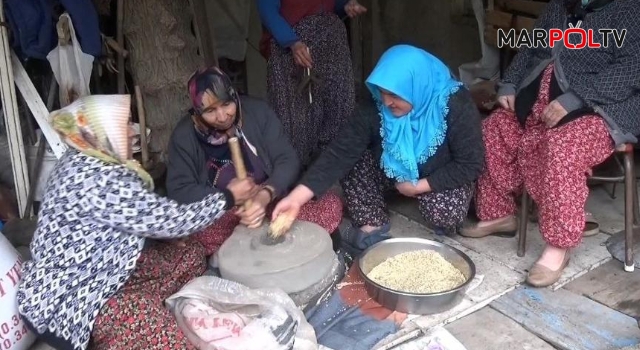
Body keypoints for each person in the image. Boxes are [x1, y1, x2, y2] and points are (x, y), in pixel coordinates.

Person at [16, 95, 257, 350]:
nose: (133, 132)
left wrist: (163, 230)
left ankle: (139, 322)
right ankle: (131, 327)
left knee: (190, 255)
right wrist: (229, 197)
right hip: (70, 302)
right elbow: (168, 220)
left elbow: (139, 217)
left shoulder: (88, 158)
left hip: (105, 271)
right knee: (146, 320)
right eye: (124, 123)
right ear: (103, 129)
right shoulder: (98, 178)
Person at [460, 0, 640, 287]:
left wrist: (576, 98)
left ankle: (559, 245)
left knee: (561, 147)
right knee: (494, 128)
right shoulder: (560, 6)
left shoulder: (629, 9)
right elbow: (531, 49)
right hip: (539, 106)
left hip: (601, 109)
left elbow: (632, 69)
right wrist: (509, 85)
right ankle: (500, 215)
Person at [273, 44, 485, 255]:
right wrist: (296, 198)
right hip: (392, 173)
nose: (387, 101)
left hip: (436, 175)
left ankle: (428, 203)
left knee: (443, 213)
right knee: (354, 160)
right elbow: (340, 152)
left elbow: (470, 163)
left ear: (416, 87)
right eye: (382, 92)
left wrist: (418, 187)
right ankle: (372, 221)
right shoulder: (376, 106)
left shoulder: (455, 103)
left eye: (395, 94)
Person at [166, 66, 344, 256]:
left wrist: (265, 194)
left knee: (328, 205)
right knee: (194, 238)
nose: (222, 116)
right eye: (210, 110)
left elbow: (287, 159)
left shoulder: (257, 112)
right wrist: (229, 197)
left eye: (226, 104)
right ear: (197, 112)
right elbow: (179, 190)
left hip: (269, 202)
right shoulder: (184, 136)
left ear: (234, 96)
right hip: (224, 214)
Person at [256, 0, 366, 167]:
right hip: (294, 45)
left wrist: (344, 6)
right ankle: (296, 178)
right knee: (296, 116)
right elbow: (267, 10)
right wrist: (291, 41)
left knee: (338, 106)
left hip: (331, 42)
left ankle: (331, 174)